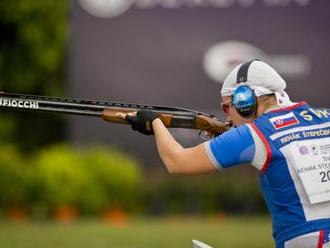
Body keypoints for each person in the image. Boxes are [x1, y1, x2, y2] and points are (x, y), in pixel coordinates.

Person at [120, 60, 330, 248]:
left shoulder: (255, 134)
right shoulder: (325, 117)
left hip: (306, 240)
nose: (227, 116)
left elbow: (177, 162)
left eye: (227, 106)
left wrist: (155, 122)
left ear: (244, 100)